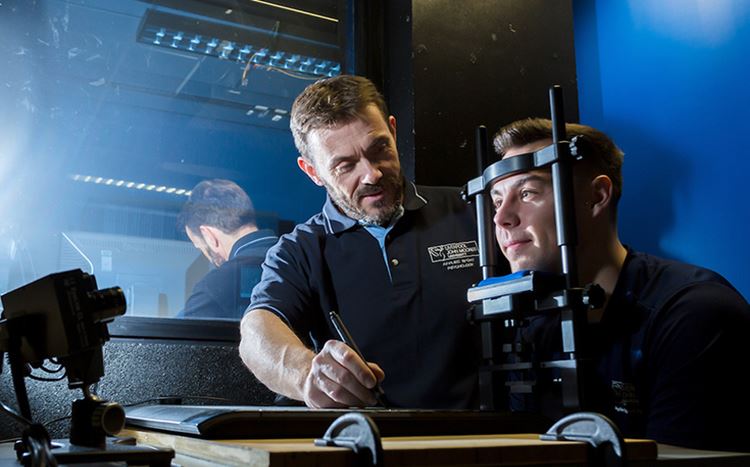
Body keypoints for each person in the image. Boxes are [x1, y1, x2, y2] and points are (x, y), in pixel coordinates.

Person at [488, 118, 750, 451]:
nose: (502, 218)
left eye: (527, 193)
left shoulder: (693, 315)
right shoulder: (532, 328)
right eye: (497, 200)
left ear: (597, 196)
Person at [239, 75, 483, 409]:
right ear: (312, 171)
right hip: (368, 445)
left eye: (379, 148)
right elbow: (257, 332)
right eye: (345, 165)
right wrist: (307, 374)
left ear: (393, 132)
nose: (372, 174)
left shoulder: (472, 209)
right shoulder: (300, 251)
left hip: (485, 437)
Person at [177, 179, 278, 320]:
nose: (206, 257)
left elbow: (177, 335)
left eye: (201, 247)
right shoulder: (300, 256)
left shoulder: (215, 288)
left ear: (209, 235)